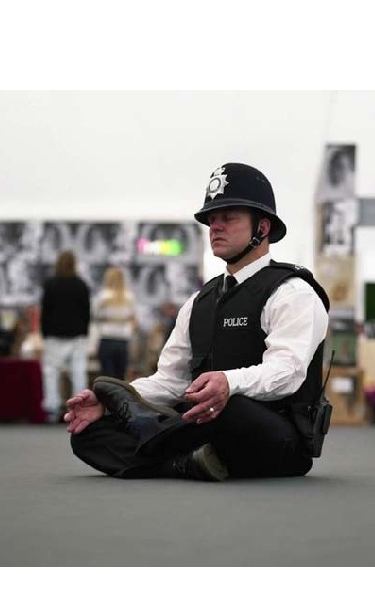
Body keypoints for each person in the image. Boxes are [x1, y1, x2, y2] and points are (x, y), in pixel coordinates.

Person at [65, 162, 331, 481]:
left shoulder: (293, 293)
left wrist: (229, 383)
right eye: (211, 219)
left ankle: (161, 444)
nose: (215, 227)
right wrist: (109, 403)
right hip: (203, 427)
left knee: (230, 407)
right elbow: (171, 381)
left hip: (269, 435)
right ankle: (186, 463)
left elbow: (288, 372)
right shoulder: (198, 303)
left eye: (228, 218)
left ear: (262, 228)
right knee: (87, 433)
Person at [40, 251, 92, 423]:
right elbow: (86, 312)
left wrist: (45, 333)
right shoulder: (81, 285)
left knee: (51, 373)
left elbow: (45, 311)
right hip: (77, 336)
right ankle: (79, 408)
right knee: (78, 372)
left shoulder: (50, 284)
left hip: (54, 336)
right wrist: (84, 332)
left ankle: (52, 409)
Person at [93, 267, 137, 380]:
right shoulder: (129, 297)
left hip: (106, 339)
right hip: (123, 340)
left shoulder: (102, 296)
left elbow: (95, 316)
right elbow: (134, 320)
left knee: (107, 377)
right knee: (120, 378)